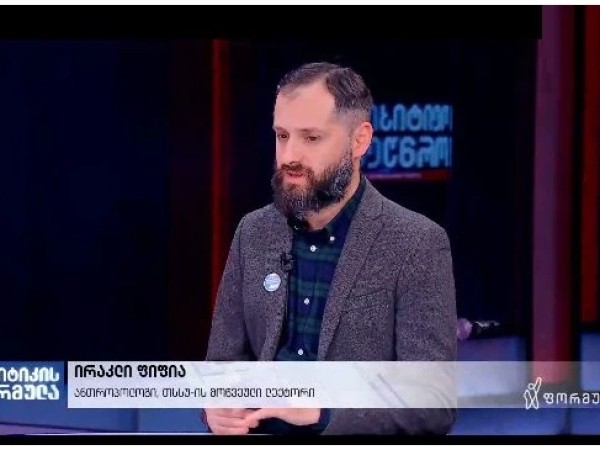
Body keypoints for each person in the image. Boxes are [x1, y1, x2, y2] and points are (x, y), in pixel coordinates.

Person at [202, 61, 457, 435]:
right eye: (282, 135)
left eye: (311, 138)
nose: (289, 156)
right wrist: (217, 407)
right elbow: (222, 365)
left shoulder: (416, 243)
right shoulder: (253, 232)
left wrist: (324, 412)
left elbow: (432, 402)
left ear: (359, 141)